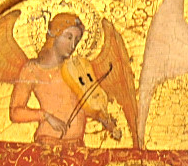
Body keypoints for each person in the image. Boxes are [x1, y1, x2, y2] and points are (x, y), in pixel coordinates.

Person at [9, 13, 121, 145]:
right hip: (48, 143)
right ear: (55, 35)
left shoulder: (76, 68)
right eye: (69, 37)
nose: (73, 45)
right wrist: (46, 116)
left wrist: (107, 122)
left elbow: (86, 104)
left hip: (77, 145)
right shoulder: (33, 69)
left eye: (77, 40)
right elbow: (15, 112)